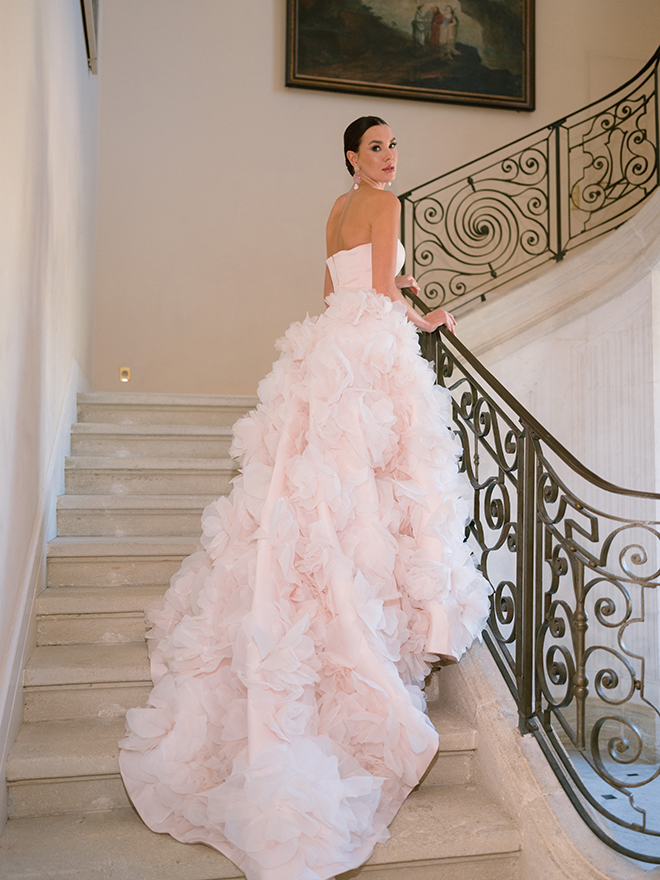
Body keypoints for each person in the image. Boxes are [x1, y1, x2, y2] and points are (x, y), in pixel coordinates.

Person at [119, 116, 491, 880]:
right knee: (381, 483)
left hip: (332, 345)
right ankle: (374, 620)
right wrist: (423, 315)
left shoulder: (335, 205)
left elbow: (335, 284)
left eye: (394, 147)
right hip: (375, 345)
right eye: (377, 147)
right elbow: (383, 287)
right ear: (354, 156)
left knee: (316, 486)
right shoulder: (387, 206)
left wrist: (393, 286)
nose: (389, 158)